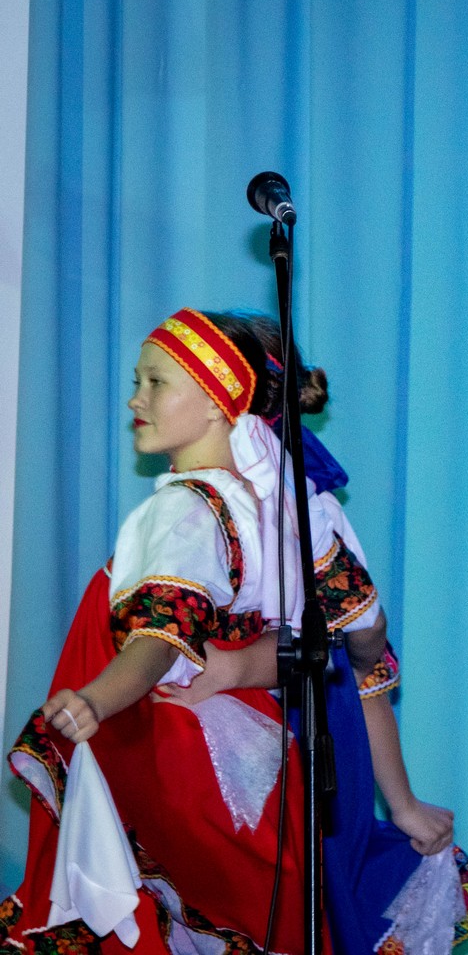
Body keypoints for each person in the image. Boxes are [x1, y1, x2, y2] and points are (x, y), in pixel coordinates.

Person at [155, 310, 468, 955]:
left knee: (300, 905)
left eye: (166, 383)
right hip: (195, 762)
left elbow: (361, 660)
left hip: (302, 750)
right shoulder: (181, 514)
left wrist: (402, 804)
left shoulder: (306, 515)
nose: (142, 401)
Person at [0, 308, 313, 951]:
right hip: (254, 753)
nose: (135, 400)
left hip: (173, 747)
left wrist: (95, 700)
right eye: (137, 382)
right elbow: (300, 644)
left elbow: (160, 638)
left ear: (218, 401)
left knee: (137, 917)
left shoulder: (183, 507)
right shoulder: (269, 506)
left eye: (156, 382)